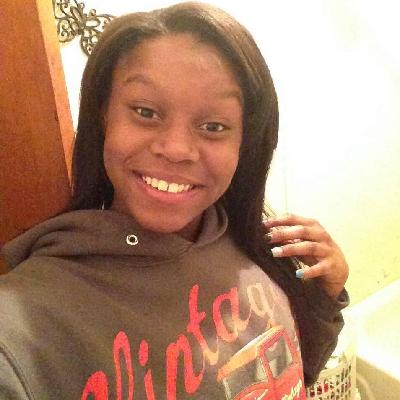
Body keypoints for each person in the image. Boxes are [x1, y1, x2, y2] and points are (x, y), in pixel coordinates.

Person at [0, 2, 349, 399]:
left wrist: (325, 298)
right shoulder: (28, 322)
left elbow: (296, 372)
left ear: (245, 141)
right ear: (103, 116)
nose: (176, 149)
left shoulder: (252, 240)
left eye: (213, 125)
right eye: (146, 111)